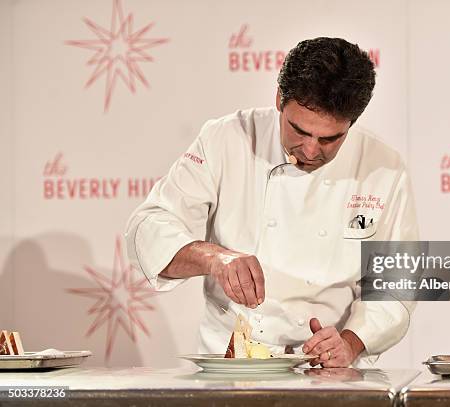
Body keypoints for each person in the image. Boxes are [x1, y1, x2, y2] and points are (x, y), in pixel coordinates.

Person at [125, 37, 418, 368]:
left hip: (327, 369)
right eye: (299, 130)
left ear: (352, 122)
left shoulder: (384, 167)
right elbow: (148, 228)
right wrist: (214, 259)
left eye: (329, 139)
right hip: (230, 365)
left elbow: (398, 283)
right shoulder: (225, 139)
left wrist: (350, 344)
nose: (309, 150)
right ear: (279, 99)